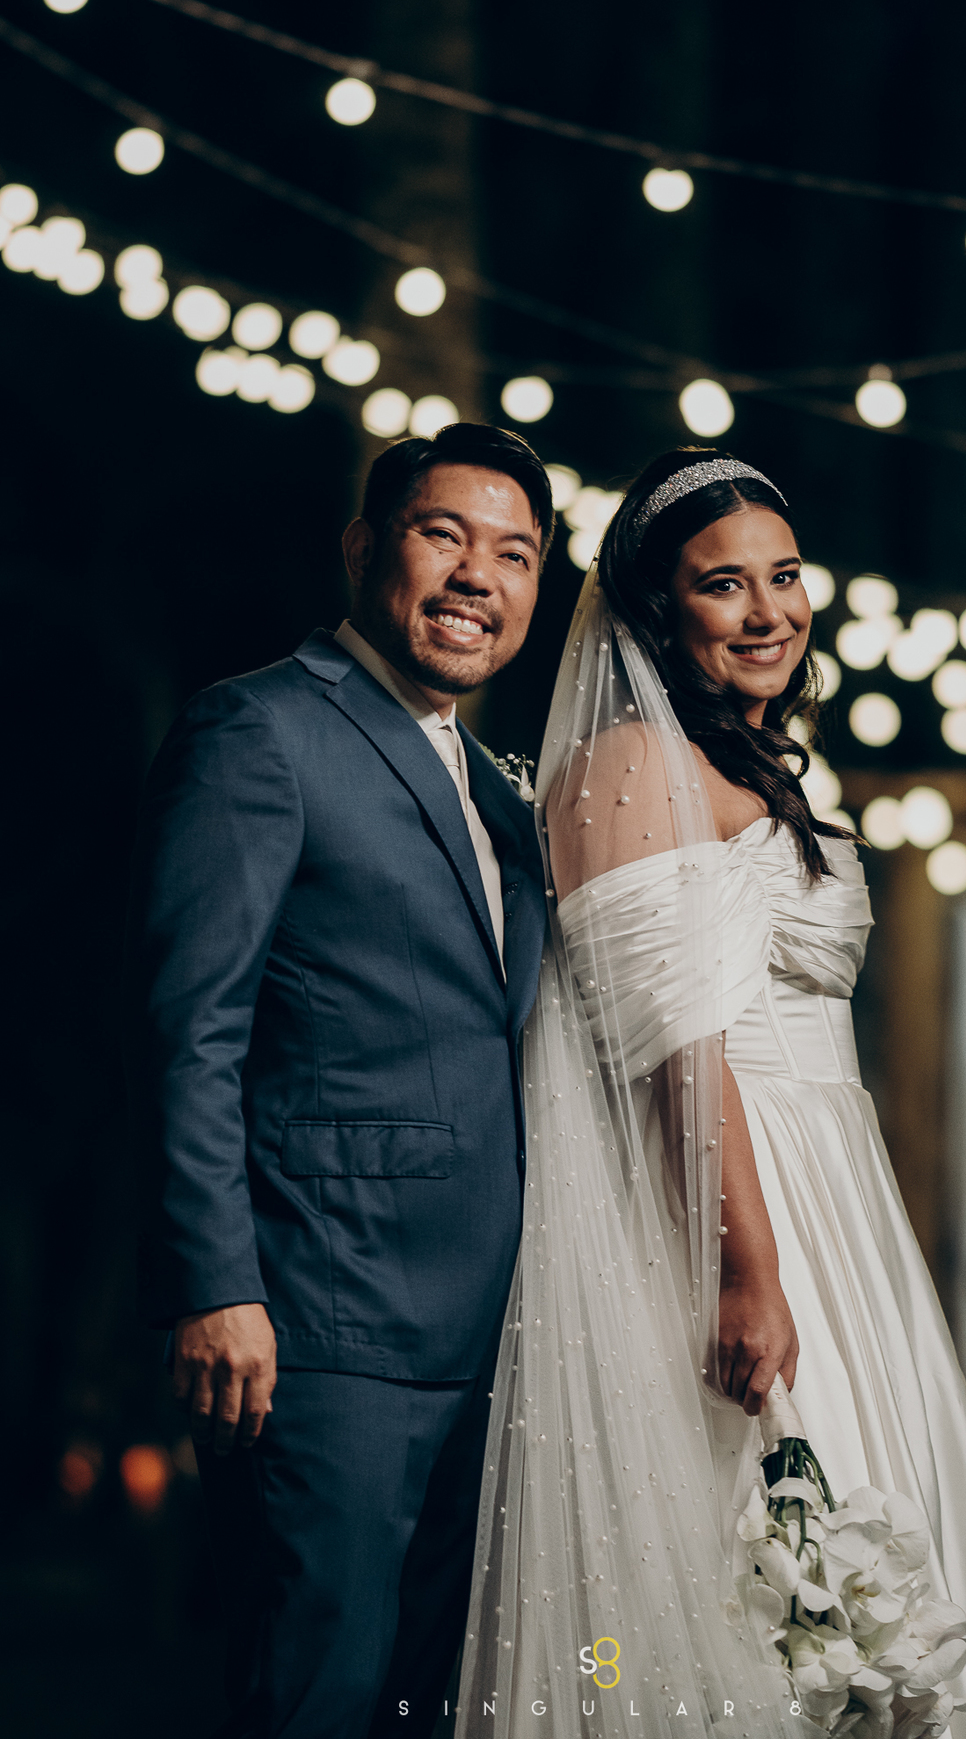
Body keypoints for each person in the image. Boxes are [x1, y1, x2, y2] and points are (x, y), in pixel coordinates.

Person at [456, 449, 966, 1735]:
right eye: (723, 584)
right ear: (657, 610)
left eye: (784, 575)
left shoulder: (760, 763)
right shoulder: (627, 762)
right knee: (753, 1559)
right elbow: (681, 1043)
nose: (769, 610)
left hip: (836, 1190)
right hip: (731, 1196)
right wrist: (747, 1268)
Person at [124, 423, 552, 1739]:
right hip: (321, 1330)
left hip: (491, 1335)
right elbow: (191, 1029)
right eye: (444, 535)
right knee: (320, 1693)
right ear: (365, 548)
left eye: (515, 554)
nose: (477, 575)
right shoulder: (260, 729)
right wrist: (218, 1286)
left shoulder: (498, 792)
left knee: (430, 1707)